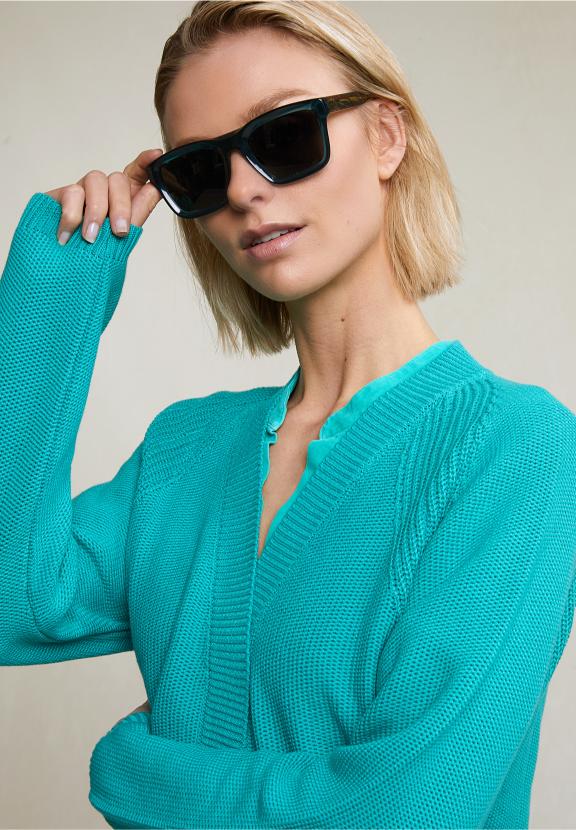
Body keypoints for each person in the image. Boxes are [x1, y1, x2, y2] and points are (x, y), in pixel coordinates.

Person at [1, 2, 575, 828]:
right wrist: (54, 289)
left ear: (386, 136)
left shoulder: (517, 451)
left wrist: (131, 774)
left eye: (284, 136)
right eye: (200, 171)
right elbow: (12, 604)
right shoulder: (184, 450)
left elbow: (406, 812)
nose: (243, 190)